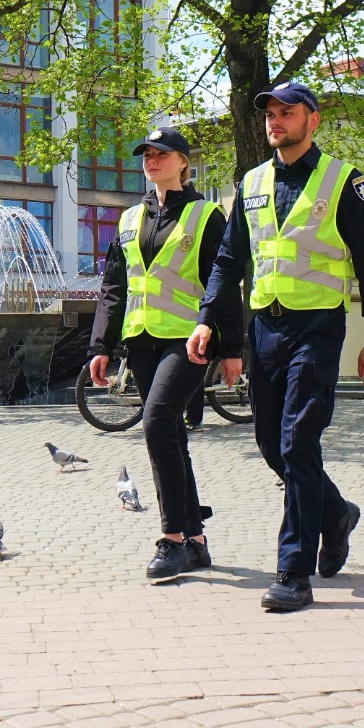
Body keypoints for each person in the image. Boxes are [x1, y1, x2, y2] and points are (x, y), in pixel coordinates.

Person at [188, 81, 364, 613]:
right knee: (272, 446)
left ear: (312, 120)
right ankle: (336, 513)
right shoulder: (251, 183)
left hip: (318, 327)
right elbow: (230, 259)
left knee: (299, 441)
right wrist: (208, 319)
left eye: (287, 112)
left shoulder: (344, 181)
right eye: (270, 113)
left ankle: (293, 571)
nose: (275, 121)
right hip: (265, 330)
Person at [88, 126, 232, 581]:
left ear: (183, 163)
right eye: (147, 154)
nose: (152, 160)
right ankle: (195, 541)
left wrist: (231, 347)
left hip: (189, 340)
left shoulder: (206, 214)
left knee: (154, 423)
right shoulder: (130, 219)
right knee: (171, 432)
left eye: (162, 153)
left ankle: (172, 539)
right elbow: (115, 285)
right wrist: (101, 346)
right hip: (142, 339)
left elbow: (223, 283)